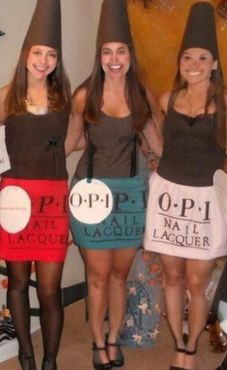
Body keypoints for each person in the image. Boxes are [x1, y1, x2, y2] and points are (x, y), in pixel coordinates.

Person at [65, 0, 161, 368]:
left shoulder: (142, 96)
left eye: (121, 50)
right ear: (99, 56)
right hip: (91, 196)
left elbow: (160, 148)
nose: (114, 58)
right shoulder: (84, 96)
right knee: (98, 276)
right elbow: (71, 142)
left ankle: (112, 337)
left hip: (131, 197)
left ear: (130, 55)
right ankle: (96, 342)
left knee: (120, 275)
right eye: (107, 51)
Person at [143, 2, 227, 370]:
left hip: (207, 200)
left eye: (201, 57)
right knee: (172, 277)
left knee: (197, 282)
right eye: (187, 58)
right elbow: (156, 140)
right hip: (169, 196)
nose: (193, 65)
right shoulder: (167, 100)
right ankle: (178, 343)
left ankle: (191, 348)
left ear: (214, 63)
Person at [0, 1, 71, 369]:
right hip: (13, 201)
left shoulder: (65, 100)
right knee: (16, 282)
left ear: (57, 60)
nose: (43, 60)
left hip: (52, 203)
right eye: (37, 52)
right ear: (26, 53)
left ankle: (51, 360)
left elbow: (76, 143)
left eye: (51, 54)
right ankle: (26, 356)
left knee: (48, 289)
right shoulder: (5, 96)